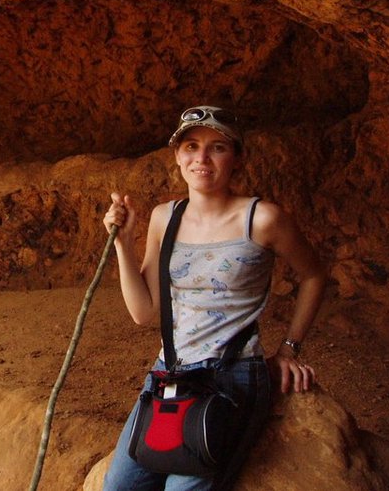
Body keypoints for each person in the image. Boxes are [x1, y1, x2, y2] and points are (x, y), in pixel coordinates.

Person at [101, 106, 327, 491]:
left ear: (236, 157)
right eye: (191, 146)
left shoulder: (261, 219)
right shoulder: (164, 218)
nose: (201, 158)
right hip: (170, 372)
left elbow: (314, 275)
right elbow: (144, 313)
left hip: (233, 375)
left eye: (217, 147)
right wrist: (123, 243)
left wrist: (289, 349)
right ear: (177, 156)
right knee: (119, 487)